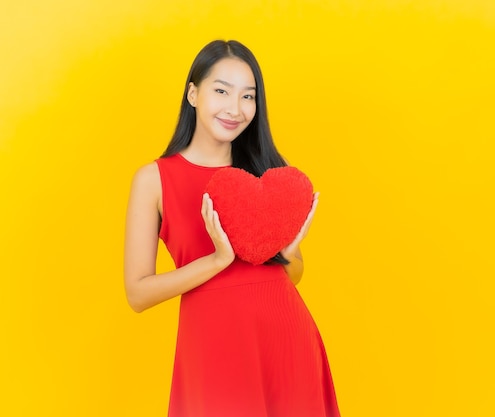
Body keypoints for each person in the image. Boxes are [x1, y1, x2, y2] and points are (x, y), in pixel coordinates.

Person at [123, 40, 341, 417]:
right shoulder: (154, 179)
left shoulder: (266, 173)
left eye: (248, 96)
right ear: (193, 93)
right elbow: (137, 294)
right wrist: (218, 260)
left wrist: (289, 254)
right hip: (213, 347)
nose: (235, 109)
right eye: (221, 91)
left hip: (287, 344)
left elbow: (293, 276)